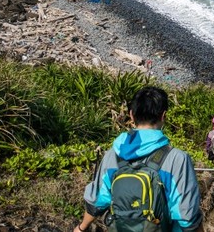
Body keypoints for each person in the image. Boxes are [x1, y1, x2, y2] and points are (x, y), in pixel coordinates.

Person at [74, 86, 204, 232]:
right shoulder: (177, 158)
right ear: (163, 116)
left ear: (131, 115)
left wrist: (81, 228)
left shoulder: (113, 154)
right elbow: (187, 217)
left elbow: (97, 201)